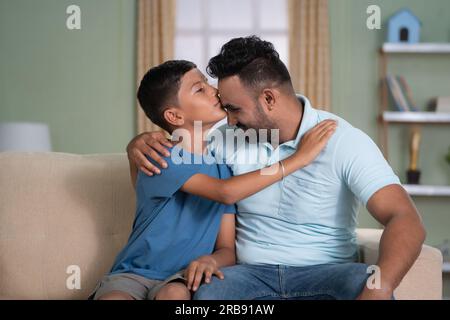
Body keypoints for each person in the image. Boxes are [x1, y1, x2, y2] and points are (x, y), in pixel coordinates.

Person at [127, 36, 426, 300]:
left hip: (326, 274)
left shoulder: (344, 141)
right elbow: (182, 160)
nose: (228, 120)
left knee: (366, 280)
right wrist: (137, 146)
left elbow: (404, 218)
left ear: (268, 99)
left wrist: (381, 288)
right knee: (209, 294)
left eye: (233, 108)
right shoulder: (222, 140)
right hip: (248, 277)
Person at [91, 59, 336, 300]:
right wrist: (298, 159)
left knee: (174, 294)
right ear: (175, 116)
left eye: (208, 83)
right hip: (134, 273)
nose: (214, 91)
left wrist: (211, 259)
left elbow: (227, 250)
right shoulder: (161, 155)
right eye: (200, 89)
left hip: (180, 277)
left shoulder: (222, 166)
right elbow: (225, 192)